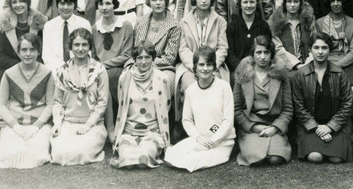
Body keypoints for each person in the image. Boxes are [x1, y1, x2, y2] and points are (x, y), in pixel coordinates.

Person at [164, 46, 236, 172]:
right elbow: (187, 120)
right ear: (195, 67)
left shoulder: (224, 87)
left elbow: (228, 120)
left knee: (189, 162)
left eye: (209, 64)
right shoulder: (191, 90)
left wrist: (213, 141)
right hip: (200, 139)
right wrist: (198, 138)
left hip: (221, 142)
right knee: (170, 156)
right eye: (201, 65)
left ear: (214, 66)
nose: (205, 68)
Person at [0, 34, 54, 169]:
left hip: (39, 124)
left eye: (32, 49)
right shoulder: (8, 74)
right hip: (16, 123)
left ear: (39, 51)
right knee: (10, 155)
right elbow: (1, 105)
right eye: (24, 50)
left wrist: (37, 125)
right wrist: (14, 125)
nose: (28, 54)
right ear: (18, 52)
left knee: (36, 155)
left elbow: (50, 104)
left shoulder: (47, 73)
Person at [292, 32, 353, 163]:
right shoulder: (300, 75)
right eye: (316, 48)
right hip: (310, 126)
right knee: (315, 157)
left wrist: (330, 127)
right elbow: (299, 107)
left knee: (336, 158)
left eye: (324, 48)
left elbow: (347, 104)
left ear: (329, 50)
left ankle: (335, 142)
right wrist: (317, 128)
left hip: (336, 126)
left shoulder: (339, 73)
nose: (320, 52)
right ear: (310, 50)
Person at [50, 28, 109, 165]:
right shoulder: (61, 72)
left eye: (84, 45)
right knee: (60, 154)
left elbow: (102, 102)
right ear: (70, 46)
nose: (80, 49)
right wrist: (58, 123)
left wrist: (88, 125)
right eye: (76, 45)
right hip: (68, 123)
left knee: (81, 153)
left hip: (93, 124)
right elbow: (57, 102)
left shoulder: (99, 70)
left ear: (90, 47)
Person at [111, 41, 171, 169]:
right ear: (135, 59)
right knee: (127, 160)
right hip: (129, 131)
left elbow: (166, 107)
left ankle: (150, 148)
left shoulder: (162, 78)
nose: (143, 62)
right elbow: (122, 106)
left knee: (144, 159)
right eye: (140, 58)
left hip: (152, 132)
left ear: (153, 58)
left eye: (147, 57)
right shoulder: (125, 78)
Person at [233, 35, 292, 166]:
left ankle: (277, 143)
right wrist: (254, 127)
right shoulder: (243, 73)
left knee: (276, 159)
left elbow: (288, 109)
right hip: (251, 126)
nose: (262, 56)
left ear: (272, 54)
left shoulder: (281, 74)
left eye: (266, 52)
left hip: (274, 124)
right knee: (257, 159)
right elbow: (236, 109)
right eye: (258, 52)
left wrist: (275, 128)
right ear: (252, 54)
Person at [176, 0, 229, 108]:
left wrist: (211, 65)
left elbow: (222, 48)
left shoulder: (220, 21)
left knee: (217, 88)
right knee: (188, 85)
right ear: (195, 0)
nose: (204, 0)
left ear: (211, 0)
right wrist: (195, 66)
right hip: (191, 67)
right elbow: (183, 49)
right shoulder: (184, 22)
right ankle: (190, 122)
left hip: (214, 66)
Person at [0, 0, 48, 86]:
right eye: (14, 2)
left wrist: (31, 67)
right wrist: (20, 67)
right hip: (8, 68)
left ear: (28, 3)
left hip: (33, 67)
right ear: (11, 5)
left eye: (21, 1)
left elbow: (41, 53)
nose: (18, 5)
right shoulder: (3, 22)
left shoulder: (38, 22)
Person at [134, 0, 181, 96]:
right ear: (149, 3)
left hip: (163, 67)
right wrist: (142, 63)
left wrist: (149, 64)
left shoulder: (174, 25)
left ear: (166, 1)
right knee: (127, 77)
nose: (158, 3)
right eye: (154, 0)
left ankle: (162, 112)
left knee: (164, 81)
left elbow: (169, 58)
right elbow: (136, 49)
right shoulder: (141, 21)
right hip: (140, 64)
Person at [315, 0, 353, 97]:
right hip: (327, 62)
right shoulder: (320, 23)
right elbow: (318, 48)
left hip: (350, 64)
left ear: (344, 1)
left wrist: (336, 66)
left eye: (339, 0)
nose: (336, 4)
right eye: (332, 1)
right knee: (326, 90)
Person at [92, 0, 133, 110]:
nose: (104, 8)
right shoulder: (95, 28)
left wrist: (103, 65)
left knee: (107, 78)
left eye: (108, 3)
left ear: (114, 5)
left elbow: (126, 55)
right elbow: (94, 56)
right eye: (101, 4)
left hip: (119, 67)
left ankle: (117, 115)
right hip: (99, 69)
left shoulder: (126, 26)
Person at [42, 0, 92, 71]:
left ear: (75, 5)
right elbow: (47, 55)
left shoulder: (84, 24)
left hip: (80, 67)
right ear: (57, 5)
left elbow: (88, 51)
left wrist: (74, 67)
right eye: (62, 3)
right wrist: (62, 68)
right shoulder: (49, 26)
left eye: (69, 4)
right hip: (55, 68)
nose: (65, 7)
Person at [226, 0, 272, 76]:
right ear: (240, 4)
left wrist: (257, 68)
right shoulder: (232, 26)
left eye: (252, 2)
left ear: (256, 4)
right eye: (245, 2)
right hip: (238, 69)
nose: (248, 5)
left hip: (260, 68)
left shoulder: (264, 26)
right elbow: (230, 54)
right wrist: (242, 69)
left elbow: (267, 51)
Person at [269, 0, 316, 71]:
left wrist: (307, 65)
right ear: (284, 3)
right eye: (289, 1)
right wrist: (297, 65)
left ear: (300, 3)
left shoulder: (308, 20)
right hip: (285, 67)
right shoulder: (277, 23)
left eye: (296, 1)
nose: (292, 5)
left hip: (308, 66)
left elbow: (314, 44)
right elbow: (278, 49)